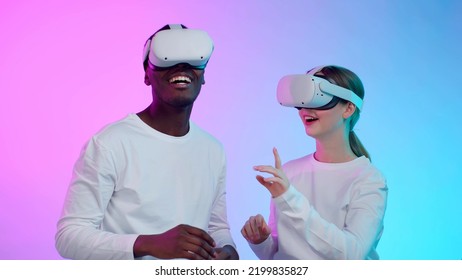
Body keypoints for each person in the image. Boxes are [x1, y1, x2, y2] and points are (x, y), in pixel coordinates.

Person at [55, 24, 238, 260]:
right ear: (146, 75)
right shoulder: (111, 143)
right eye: (167, 59)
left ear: (203, 76)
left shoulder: (213, 150)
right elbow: (69, 237)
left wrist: (229, 250)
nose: (181, 67)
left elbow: (217, 227)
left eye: (192, 60)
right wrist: (146, 244)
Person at [241, 65, 388, 259]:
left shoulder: (369, 180)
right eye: (302, 101)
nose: (305, 110)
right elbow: (279, 255)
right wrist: (260, 241)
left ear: (349, 108)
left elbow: (352, 254)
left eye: (319, 99)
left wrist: (288, 197)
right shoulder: (289, 172)